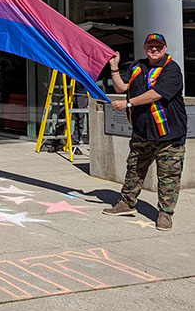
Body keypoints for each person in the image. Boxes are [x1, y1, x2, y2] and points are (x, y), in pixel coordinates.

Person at [103, 33, 187, 231]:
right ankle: (126, 203)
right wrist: (114, 67)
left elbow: (157, 94)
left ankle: (165, 214)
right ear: (145, 47)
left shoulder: (171, 69)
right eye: (151, 46)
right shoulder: (136, 66)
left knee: (168, 177)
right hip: (142, 132)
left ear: (165, 48)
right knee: (134, 170)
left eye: (158, 46)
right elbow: (122, 86)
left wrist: (128, 103)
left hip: (169, 136)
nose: (154, 49)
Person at [49, 81, 88, 155]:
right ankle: (56, 141)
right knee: (62, 118)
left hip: (81, 94)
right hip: (67, 92)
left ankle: (75, 144)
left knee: (80, 121)